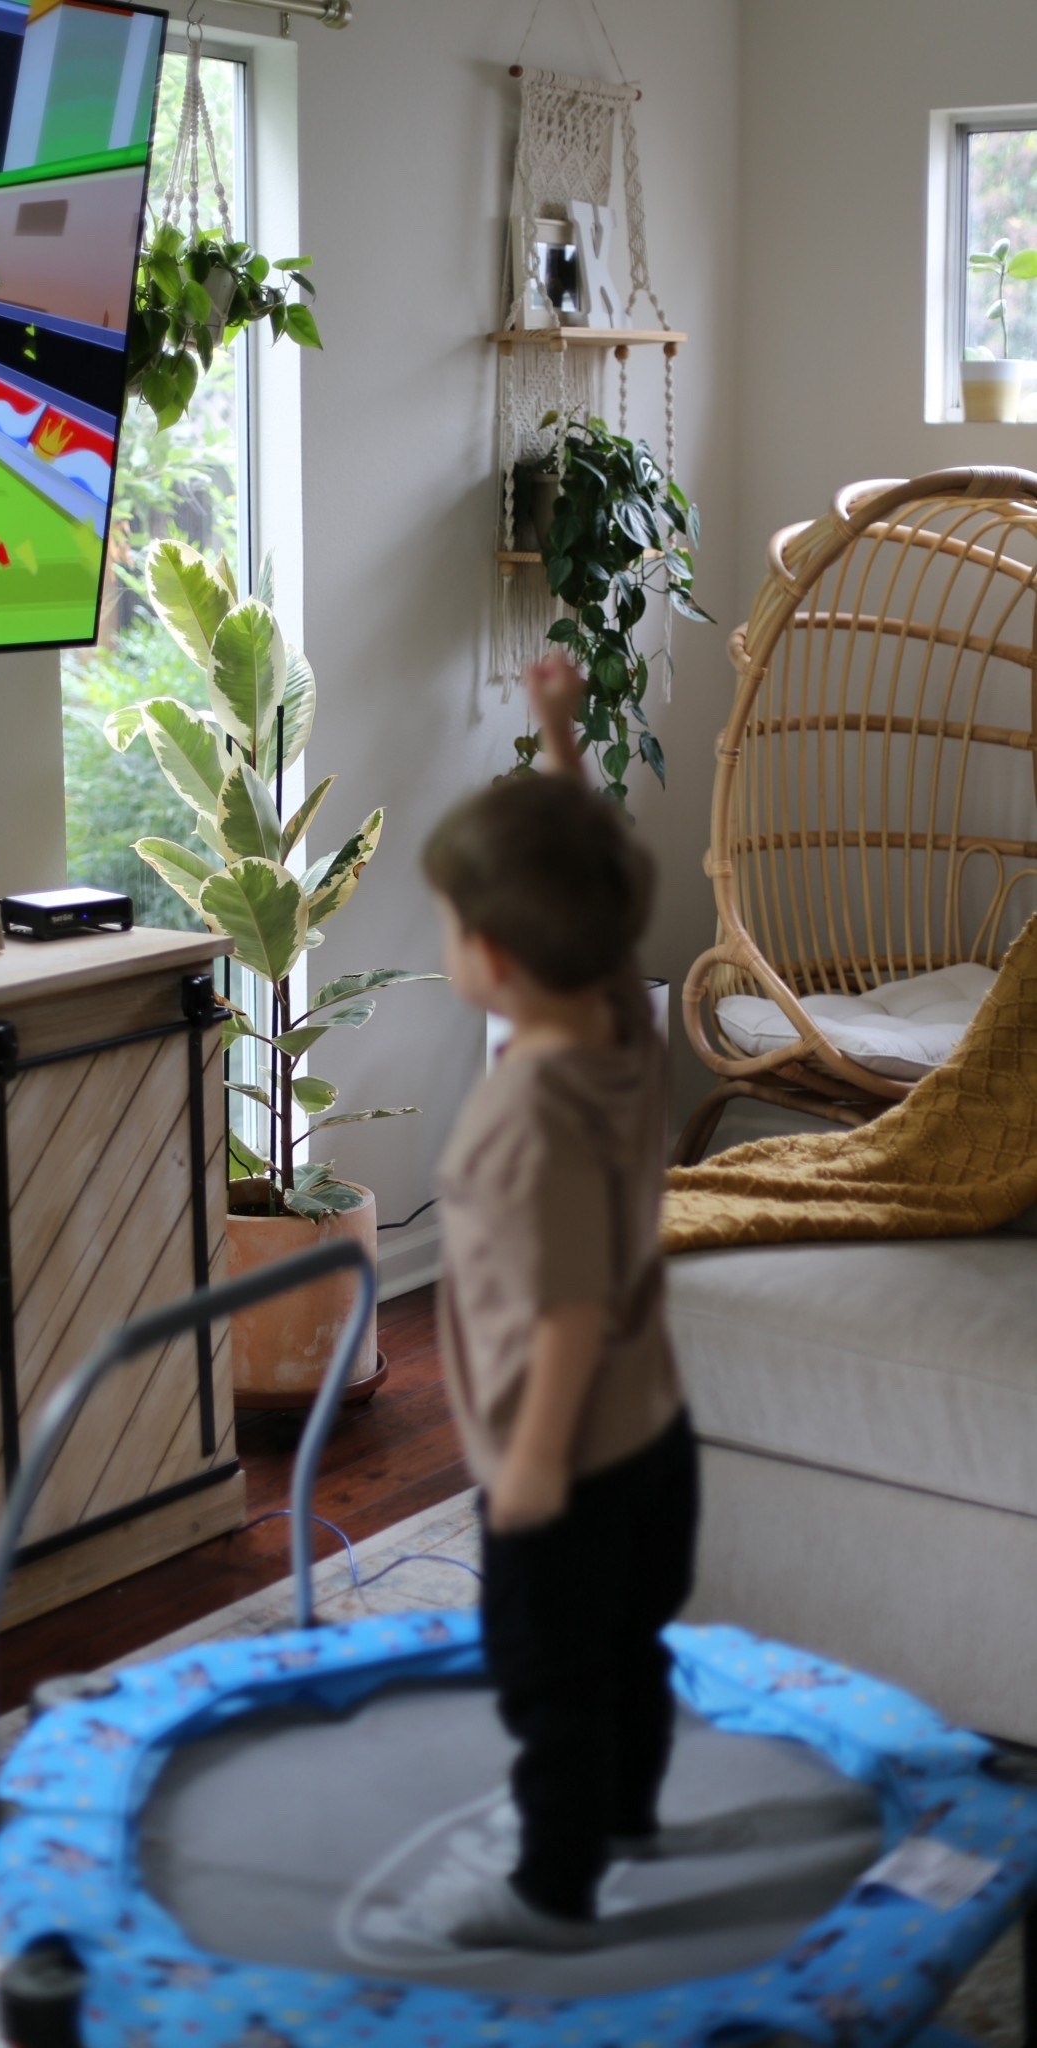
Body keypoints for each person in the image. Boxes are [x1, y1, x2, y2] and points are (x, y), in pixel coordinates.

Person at [419, 652, 699, 1951]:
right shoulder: (623, 1026)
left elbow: (569, 1306)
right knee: (632, 1644)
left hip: (568, 1454)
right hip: (654, 1436)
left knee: (551, 1677)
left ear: (490, 955)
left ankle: (552, 1889)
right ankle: (631, 1816)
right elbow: (584, 881)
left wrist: (527, 1467)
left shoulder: (527, 1110)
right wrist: (558, 739)